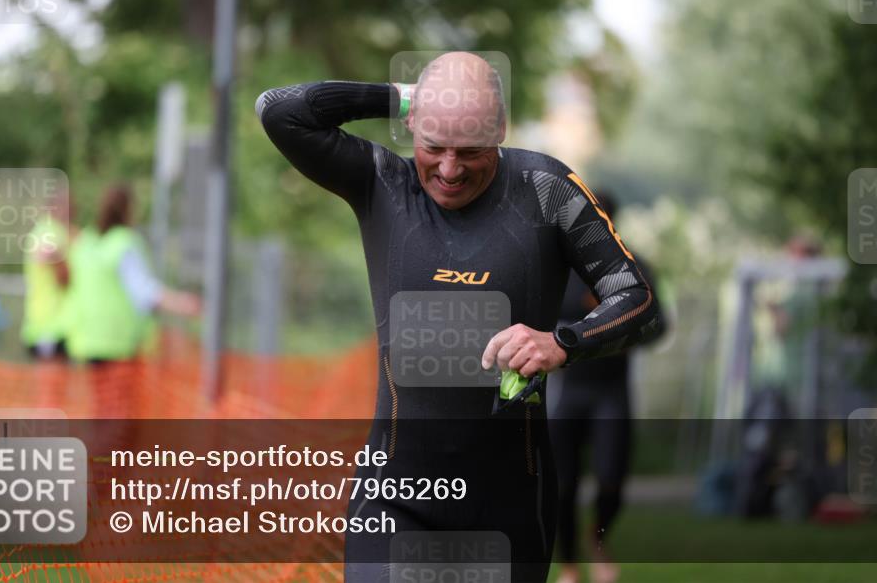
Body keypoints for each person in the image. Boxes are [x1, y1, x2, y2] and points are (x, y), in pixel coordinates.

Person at [256, 52, 662, 582]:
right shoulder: (383, 184)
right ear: (411, 128)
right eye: (433, 146)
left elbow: (638, 301)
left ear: (500, 130)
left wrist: (563, 342)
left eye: (470, 151)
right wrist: (404, 96)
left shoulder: (547, 191)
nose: (449, 170)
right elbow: (279, 111)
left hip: (509, 506)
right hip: (396, 499)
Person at [548, 190, 667, 583]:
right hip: (567, 390)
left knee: (612, 481)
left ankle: (597, 538)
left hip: (611, 391)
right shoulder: (559, 267)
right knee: (561, 486)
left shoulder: (633, 268)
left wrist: (615, 335)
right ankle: (568, 564)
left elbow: (657, 325)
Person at [64, 184, 202, 365]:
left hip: (87, 341)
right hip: (119, 343)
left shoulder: (85, 243)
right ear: (127, 210)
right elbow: (144, 291)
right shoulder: (124, 243)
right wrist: (182, 304)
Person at [21, 189, 73, 361]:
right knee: (50, 383)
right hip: (49, 324)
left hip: (52, 323)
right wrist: (63, 265)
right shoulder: (50, 230)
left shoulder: (50, 230)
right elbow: (44, 254)